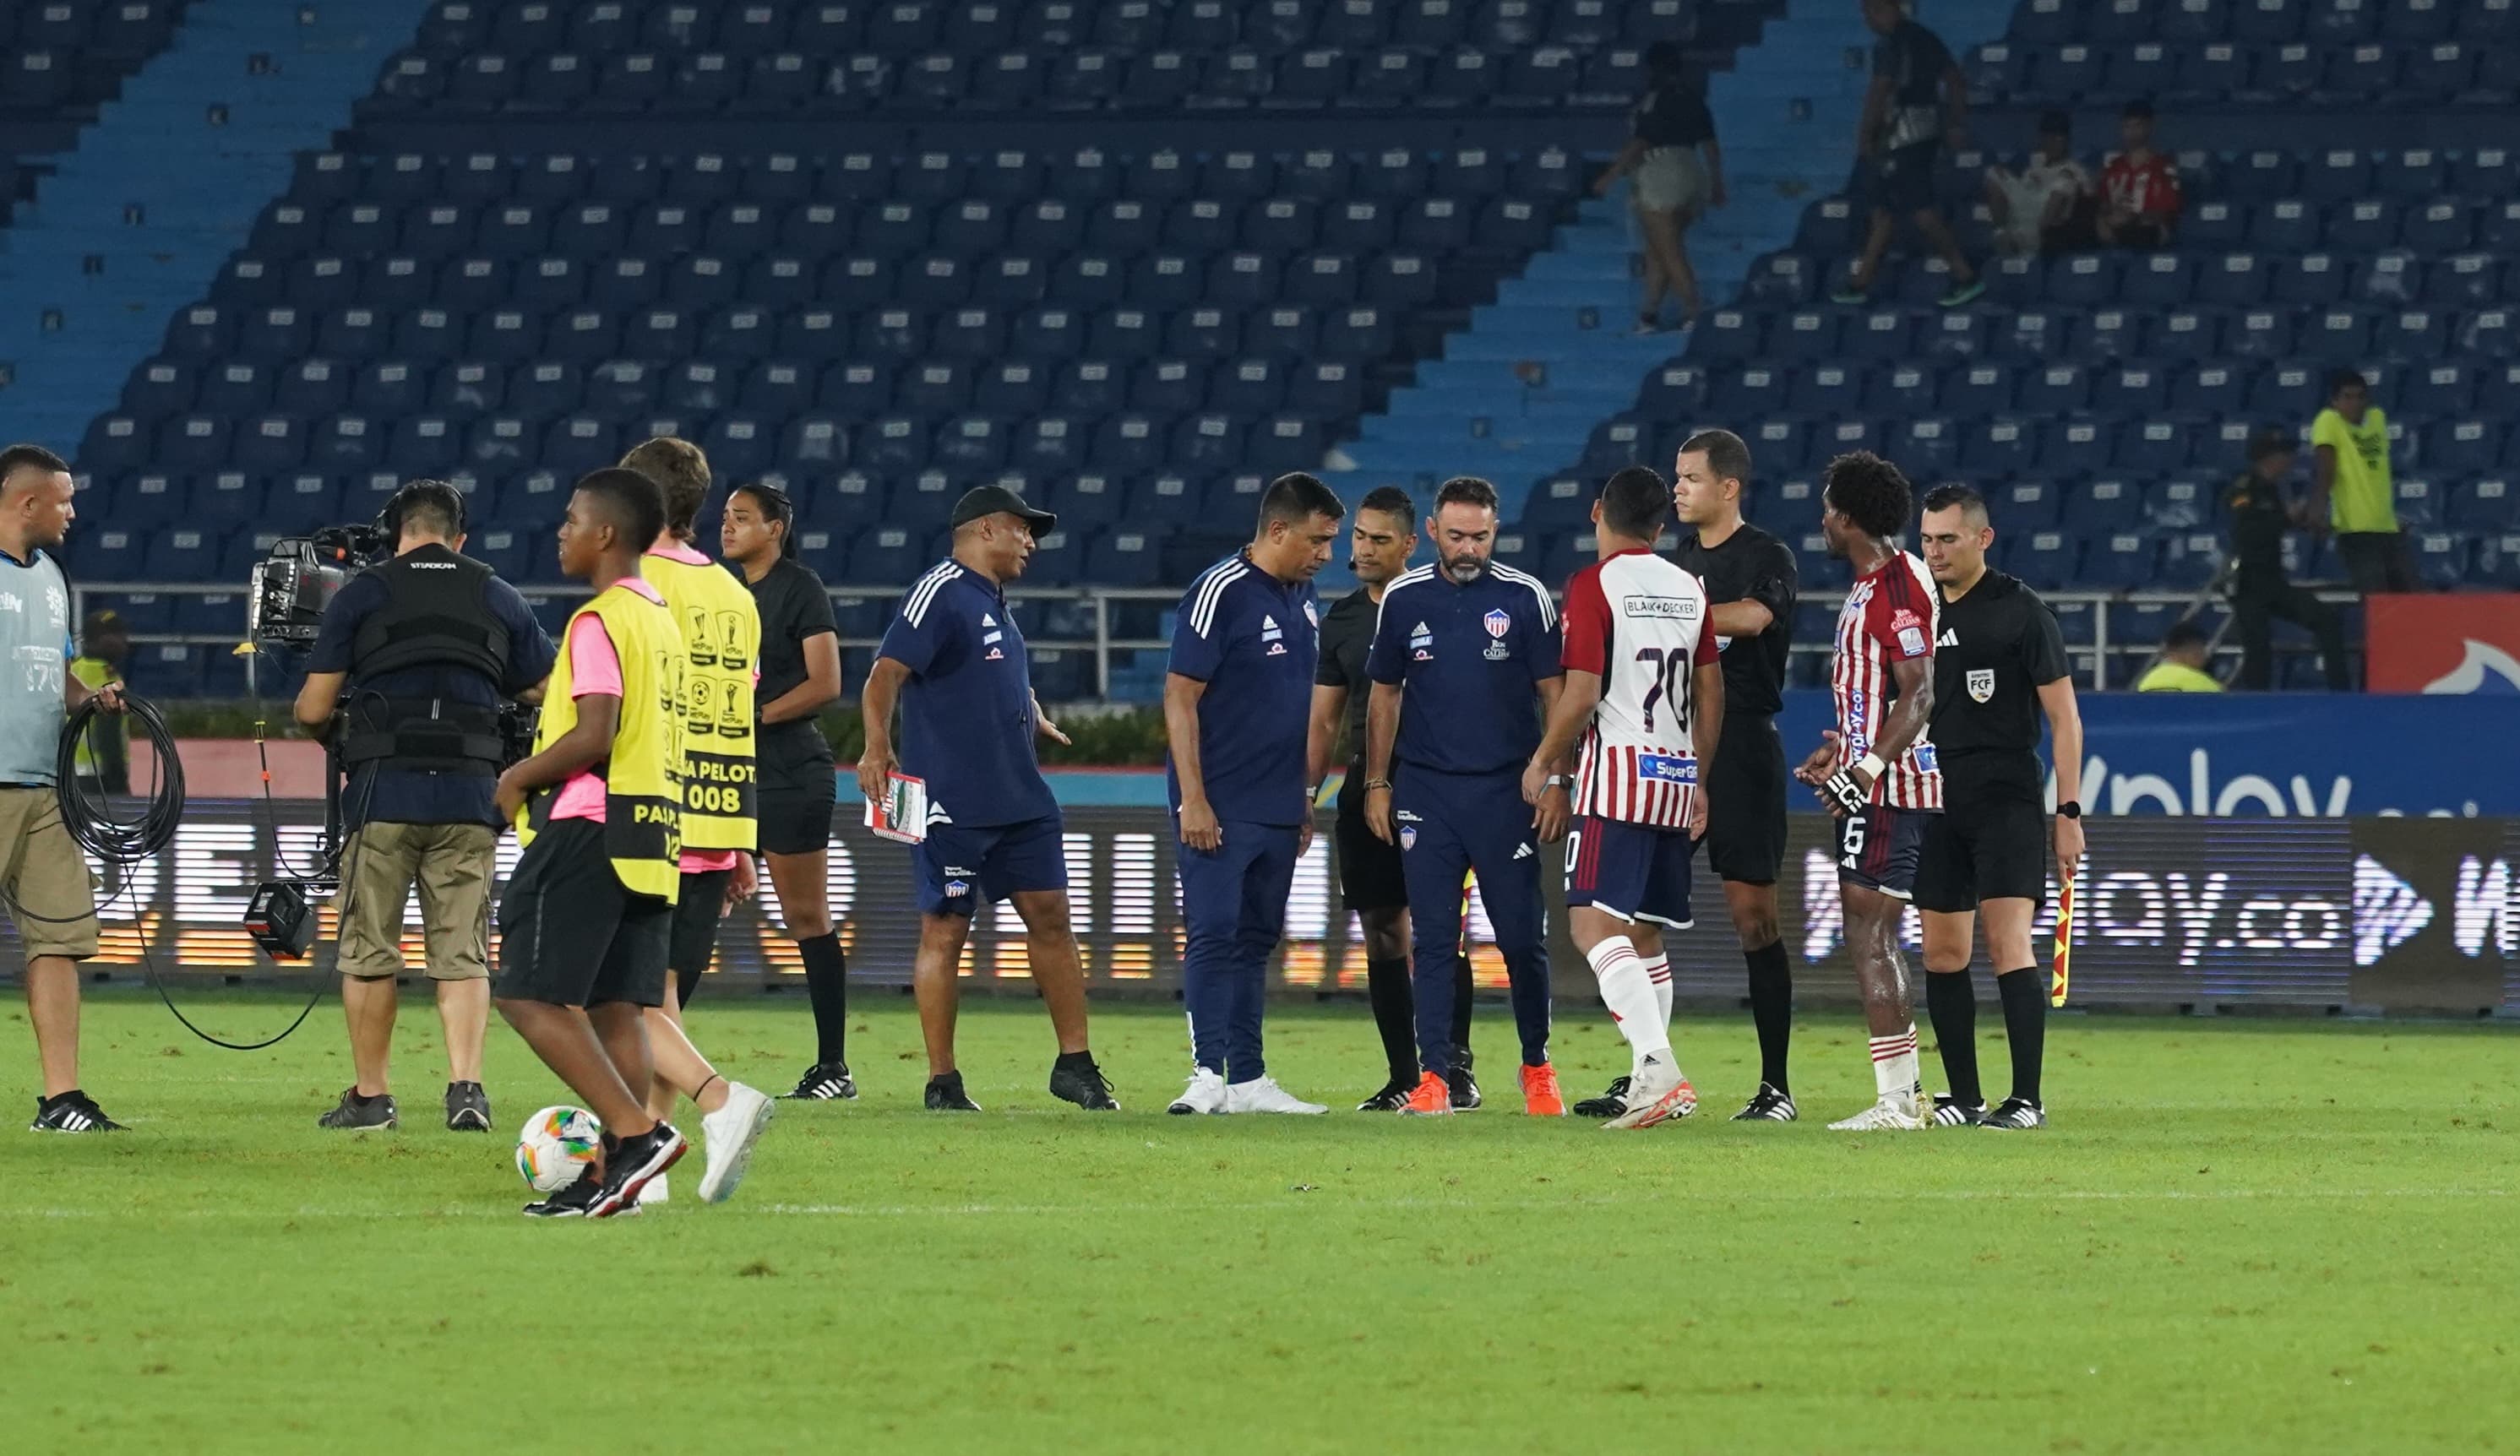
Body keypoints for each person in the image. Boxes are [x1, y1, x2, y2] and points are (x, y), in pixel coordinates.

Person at [294, 478, 555, 1133]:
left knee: (369, 952)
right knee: (462, 952)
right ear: (459, 538)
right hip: (470, 795)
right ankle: (466, 1089)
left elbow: (313, 709)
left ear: (398, 534)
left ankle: (372, 1098)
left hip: (383, 794)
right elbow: (550, 688)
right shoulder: (498, 594)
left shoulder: (362, 594)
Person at [857, 486, 1116, 1113]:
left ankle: (1075, 1065)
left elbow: (989, 669)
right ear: (987, 529)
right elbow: (885, 672)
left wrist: (1029, 710)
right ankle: (943, 1081)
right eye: (1025, 531)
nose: (1031, 543)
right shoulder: (939, 590)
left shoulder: (994, 601)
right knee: (945, 931)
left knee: (1053, 918)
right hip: (950, 799)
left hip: (1019, 795)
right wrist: (874, 750)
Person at [1581, 429, 1802, 1124]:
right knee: (1639, 918)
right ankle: (1648, 1072)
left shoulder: (1765, 555)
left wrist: (1663, 609)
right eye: (1673, 479)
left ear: (1728, 487)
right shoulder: (1671, 563)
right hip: (1669, 751)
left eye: (1692, 478)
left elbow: (1756, 619)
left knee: (1753, 917)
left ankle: (1774, 1086)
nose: (1677, 489)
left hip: (1740, 749)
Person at [490, 468, 691, 1218]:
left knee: (526, 993)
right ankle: (618, 1174)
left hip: (590, 823)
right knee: (617, 1005)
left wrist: (515, 778)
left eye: (573, 519)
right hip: (652, 830)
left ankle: (636, 1137)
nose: (562, 531)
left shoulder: (598, 620)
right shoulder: (660, 619)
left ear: (606, 534)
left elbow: (595, 731)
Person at [1523, 465, 1723, 1131]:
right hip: (1673, 774)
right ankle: (1648, 1078)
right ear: (1662, 526)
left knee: (1589, 925)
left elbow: (1580, 693)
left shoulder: (1593, 584)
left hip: (1617, 777)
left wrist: (1545, 759)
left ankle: (1657, 1066)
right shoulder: (1689, 586)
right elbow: (1710, 692)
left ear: (1596, 512)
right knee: (1643, 933)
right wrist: (1698, 774)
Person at [1361, 477, 1567, 1117]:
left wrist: (1554, 776)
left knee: (1519, 939)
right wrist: (1376, 781)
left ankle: (1536, 1065)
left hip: (1506, 791)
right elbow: (1384, 696)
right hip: (1425, 789)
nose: (1468, 548)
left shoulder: (1525, 597)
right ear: (1431, 533)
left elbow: (1555, 694)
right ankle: (1433, 1076)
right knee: (1431, 939)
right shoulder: (1401, 597)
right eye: (1456, 536)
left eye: (1479, 536)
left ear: (1494, 532)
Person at [616, 437, 776, 1206]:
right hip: (715, 815)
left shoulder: (635, 583)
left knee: (622, 994)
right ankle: (650, 1162)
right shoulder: (735, 596)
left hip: (650, 811)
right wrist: (740, 838)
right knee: (662, 992)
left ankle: (713, 1107)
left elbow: (628, 707)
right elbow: (737, 717)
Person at [1162, 472, 1345, 1116]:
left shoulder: (1304, 596)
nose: (1327, 554)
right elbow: (1179, 697)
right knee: (1213, 933)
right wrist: (1194, 798)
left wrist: (1301, 798)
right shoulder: (1219, 591)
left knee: (1256, 939)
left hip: (1277, 801)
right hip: (1220, 800)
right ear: (1276, 530)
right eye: (1318, 540)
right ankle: (1205, 1072)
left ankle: (1246, 1078)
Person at [1913, 486, 2083, 1133]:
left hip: (2005, 792)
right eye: (1926, 540)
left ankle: (2026, 1100)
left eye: (1947, 539)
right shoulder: (1915, 612)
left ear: (1982, 538)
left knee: (2006, 942)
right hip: (1932, 794)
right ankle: (1962, 1098)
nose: (1934, 552)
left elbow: (2064, 719)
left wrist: (2067, 811)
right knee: (1940, 953)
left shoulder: (2020, 612)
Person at [1306, 486, 1477, 1111]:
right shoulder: (1344, 619)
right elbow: (1324, 720)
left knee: (1439, 929)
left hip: (1439, 781)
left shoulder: (1451, 603)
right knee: (1381, 929)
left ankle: (1454, 1067)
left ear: (1411, 543)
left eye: (1380, 540)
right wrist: (1308, 792)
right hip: (1363, 785)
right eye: (1358, 537)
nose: (1364, 550)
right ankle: (1404, 1074)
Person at [1793, 450, 1941, 1133]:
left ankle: (1896, 1102)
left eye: (1827, 509)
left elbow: (1919, 693)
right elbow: (1881, 695)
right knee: (1871, 932)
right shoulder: (1880, 581)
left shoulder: (1895, 589)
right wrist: (1843, 748)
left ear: (1847, 519)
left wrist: (1866, 770)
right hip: (1877, 779)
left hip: (1893, 789)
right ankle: (1902, 1096)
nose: (1821, 521)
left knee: (1869, 933)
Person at [0, 443, 126, 1133]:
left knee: (58, 940)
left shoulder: (51, 575)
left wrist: (89, 698)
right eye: (64, 499)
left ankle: (61, 1100)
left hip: (44, 790)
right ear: (27, 503)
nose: (73, 511)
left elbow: (54, 674)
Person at [721, 481, 854, 1100]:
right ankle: (654, 1051)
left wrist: (751, 718)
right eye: (724, 517)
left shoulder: (798, 587)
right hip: (723, 774)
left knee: (805, 917)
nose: (727, 527)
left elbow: (825, 682)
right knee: (695, 909)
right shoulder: (716, 591)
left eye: (742, 518)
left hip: (788, 771)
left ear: (775, 528)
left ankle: (834, 1067)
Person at [1833, 0, 1982, 308]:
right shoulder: (1927, 36)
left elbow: (1880, 91)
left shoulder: (1889, 45)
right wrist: (1955, 121)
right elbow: (1955, 79)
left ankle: (1965, 274)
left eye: (1871, 11)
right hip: (1926, 132)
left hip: (1900, 138)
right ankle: (1860, 281)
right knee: (1883, 210)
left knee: (1921, 212)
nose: (1868, 20)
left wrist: (1864, 136)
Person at [1595, 41, 1726, 333]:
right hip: (1693, 170)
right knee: (1658, 249)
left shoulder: (1654, 99)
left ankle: (1693, 312)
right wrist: (1717, 185)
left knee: (1670, 251)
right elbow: (1711, 146)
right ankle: (1649, 315)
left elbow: (1641, 141)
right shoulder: (1694, 97)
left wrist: (1611, 175)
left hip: (1660, 172)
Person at [2227, 428, 2350, 691]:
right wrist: (2287, 519)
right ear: (2270, 458)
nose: (2291, 460)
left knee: (2325, 619)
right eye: (2286, 454)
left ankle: (2341, 692)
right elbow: (2247, 533)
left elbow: (2276, 525)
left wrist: (2309, 524)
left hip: (2273, 580)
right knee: (2257, 649)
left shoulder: (2276, 489)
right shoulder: (2244, 487)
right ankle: (2256, 707)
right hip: (2249, 581)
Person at [2310, 370, 2414, 594]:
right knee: (2377, 598)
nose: (2354, 403)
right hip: (2355, 530)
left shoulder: (2377, 418)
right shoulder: (2328, 421)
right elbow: (2326, 468)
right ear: (2334, 401)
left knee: (2410, 599)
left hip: (2388, 527)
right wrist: (2318, 509)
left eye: (2360, 396)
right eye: (2347, 397)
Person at [1984, 110, 2093, 257]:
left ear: (2067, 140)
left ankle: (2032, 244)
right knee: (1994, 171)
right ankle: (2002, 234)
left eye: (2058, 139)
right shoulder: (2035, 161)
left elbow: (2088, 197)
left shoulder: (2075, 170)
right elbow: (2018, 185)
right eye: (2048, 138)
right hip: (2022, 203)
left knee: (2065, 181)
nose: (2053, 144)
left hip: (2042, 220)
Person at [2095, 100, 2182, 250]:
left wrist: (2131, 218)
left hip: (2148, 234)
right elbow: (2103, 205)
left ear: (2149, 127)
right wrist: (2105, 220)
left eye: (2137, 126)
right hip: (2115, 233)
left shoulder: (2164, 168)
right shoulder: (2113, 168)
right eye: (2127, 127)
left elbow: (2165, 213)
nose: (2131, 133)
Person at [68, 608, 130, 796]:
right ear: (93, 640)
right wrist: (119, 783)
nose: (121, 640)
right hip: (99, 779)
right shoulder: (108, 679)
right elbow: (108, 739)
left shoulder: (73, 669)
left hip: (69, 774)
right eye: (112, 635)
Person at [2136, 622, 2223, 693]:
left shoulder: (2147, 680)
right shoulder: (2201, 682)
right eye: (2201, 650)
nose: (2205, 656)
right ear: (2196, 651)